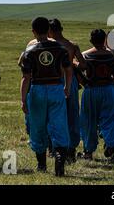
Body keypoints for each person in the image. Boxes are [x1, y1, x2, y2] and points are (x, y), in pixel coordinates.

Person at [20, 17, 72, 176]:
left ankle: (41, 164)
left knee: (37, 126)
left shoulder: (29, 51)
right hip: (56, 87)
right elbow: (69, 70)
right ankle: (59, 160)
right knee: (59, 125)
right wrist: (67, 87)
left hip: (37, 90)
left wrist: (23, 99)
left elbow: (26, 77)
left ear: (33, 31)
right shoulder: (60, 48)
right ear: (49, 30)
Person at [78, 29, 114, 164]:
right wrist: (109, 83)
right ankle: (113, 148)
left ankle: (88, 151)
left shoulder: (85, 55)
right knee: (109, 119)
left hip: (91, 90)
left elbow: (77, 70)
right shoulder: (110, 56)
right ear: (104, 40)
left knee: (89, 121)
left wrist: (84, 82)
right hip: (108, 89)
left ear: (91, 40)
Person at [48, 18, 87, 163]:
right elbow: (83, 65)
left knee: (53, 115)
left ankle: (54, 147)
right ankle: (71, 148)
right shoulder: (72, 45)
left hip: (54, 80)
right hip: (71, 81)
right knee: (72, 115)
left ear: (50, 31)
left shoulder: (48, 45)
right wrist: (73, 63)